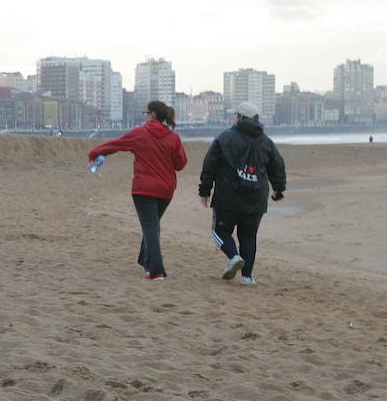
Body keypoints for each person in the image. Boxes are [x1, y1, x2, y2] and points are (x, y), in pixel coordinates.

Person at [88, 101, 188, 281]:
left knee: (150, 227)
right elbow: (180, 164)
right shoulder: (173, 138)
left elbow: (116, 144)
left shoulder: (140, 134)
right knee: (153, 225)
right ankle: (146, 262)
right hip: (166, 189)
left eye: (145, 112)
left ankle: (156, 270)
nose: (144, 115)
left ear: (152, 114)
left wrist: (94, 153)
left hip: (144, 188)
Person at [198, 101, 286, 286]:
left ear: (240, 118)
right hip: (256, 197)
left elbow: (209, 166)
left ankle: (234, 256)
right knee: (249, 236)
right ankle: (247, 277)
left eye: (234, 115)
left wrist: (204, 191)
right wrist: (278, 189)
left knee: (219, 231)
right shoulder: (266, 142)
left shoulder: (225, 138)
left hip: (228, 197)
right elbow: (277, 166)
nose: (232, 117)